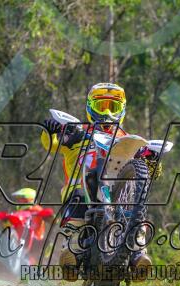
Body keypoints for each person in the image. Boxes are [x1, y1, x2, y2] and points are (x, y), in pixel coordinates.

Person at [41, 82, 151, 271]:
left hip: (118, 194)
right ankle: (72, 249)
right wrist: (50, 131)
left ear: (122, 110)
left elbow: (148, 171)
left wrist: (151, 158)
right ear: (91, 107)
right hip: (81, 189)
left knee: (137, 207)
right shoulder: (77, 132)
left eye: (113, 107)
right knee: (77, 199)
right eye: (102, 106)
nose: (107, 113)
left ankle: (138, 252)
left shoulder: (128, 140)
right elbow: (52, 145)